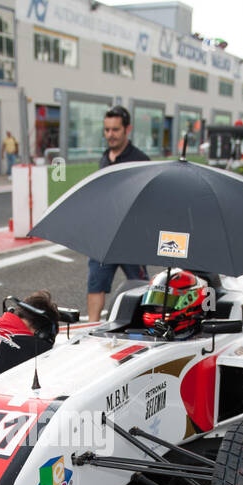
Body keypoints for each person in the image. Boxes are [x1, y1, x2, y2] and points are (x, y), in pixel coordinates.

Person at [85, 105, 149, 322]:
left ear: (127, 129)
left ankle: (147, 326)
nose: (110, 135)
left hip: (131, 238)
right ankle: (91, 330)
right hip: (103, 236)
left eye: (115, 130)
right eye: (107, 130)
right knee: (95, 283)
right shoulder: (105, 158)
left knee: (142, 288)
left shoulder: (140, 160)